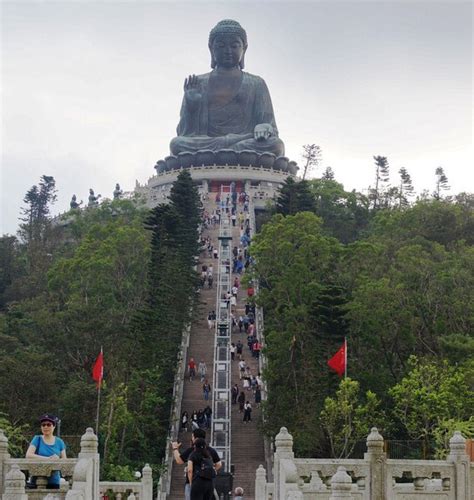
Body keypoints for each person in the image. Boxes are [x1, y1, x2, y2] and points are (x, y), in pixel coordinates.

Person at [169, 19, 285, 157]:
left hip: (244, 142)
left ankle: (226, 153)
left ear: (244, 48)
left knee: (276, 145)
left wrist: (264, 127)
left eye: (234, 46)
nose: (228, 51)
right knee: (177, 144)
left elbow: (269, 125)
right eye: (221, 46)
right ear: (211, 49)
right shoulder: (198, 83)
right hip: (209, 144)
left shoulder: (256, 83)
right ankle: (229, 152)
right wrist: (192, 106)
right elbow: (185, 133)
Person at [171, 428, 222, 500]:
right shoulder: (211, 450)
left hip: (194, 482)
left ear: (196, 439)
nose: (191, 439)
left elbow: (179, 461)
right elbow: (219, 464)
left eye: (192, 437)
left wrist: (175, 449)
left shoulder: (192, 451)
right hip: (208, 482)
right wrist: (210, 470)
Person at [26, 414, 67, 489]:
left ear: (54, 426)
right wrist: (48, 459)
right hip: (37, 480)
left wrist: (57, 459)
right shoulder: (37, 439)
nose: (46, 427)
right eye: (43, 425)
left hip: (54, 481)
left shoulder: (60, 442)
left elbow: (65, 460)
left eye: (49, 424)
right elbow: (28, 455)